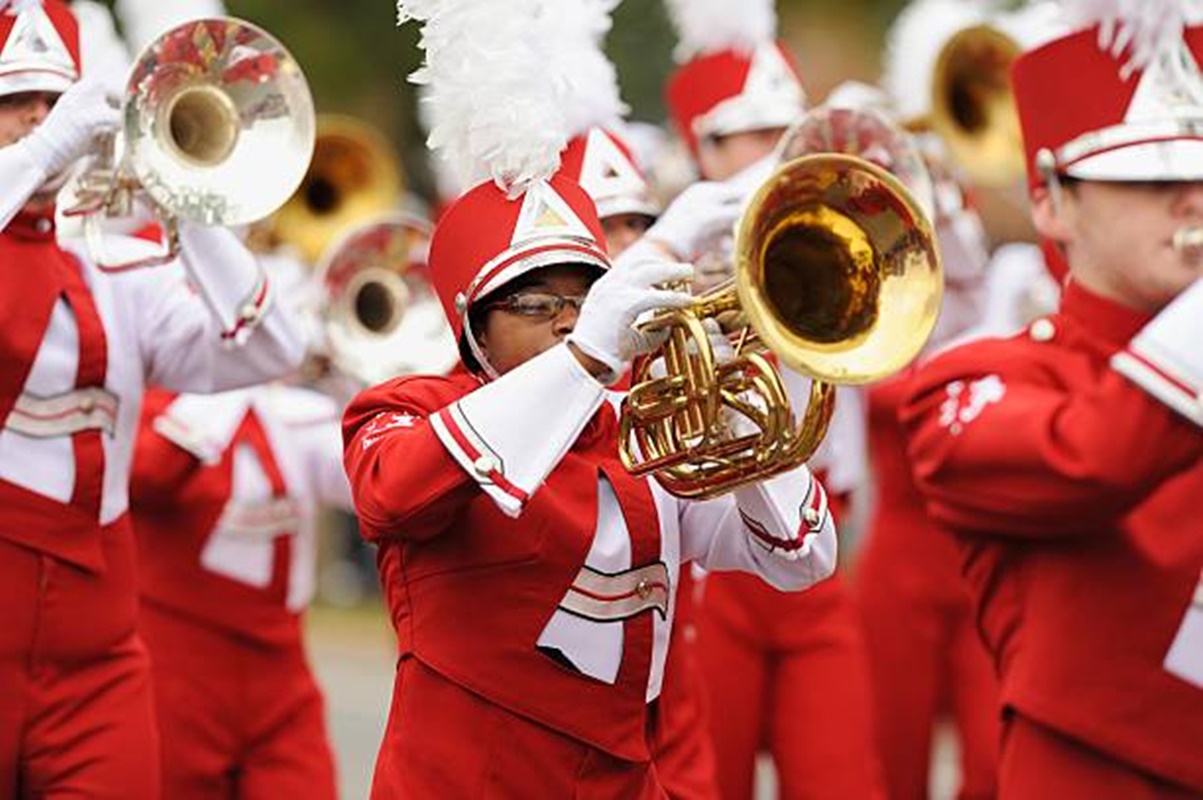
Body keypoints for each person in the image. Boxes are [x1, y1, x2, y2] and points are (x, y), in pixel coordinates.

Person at [0, 1, 305, 796]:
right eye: (14, 103)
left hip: (96, 662)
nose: (41, 117)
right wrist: (46, 146)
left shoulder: (112, 265)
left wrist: (182, 200)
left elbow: (273, 346)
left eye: (53, 100)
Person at [901, 7, 1203, 798]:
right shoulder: (968, 383)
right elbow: (1097, 456)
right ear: (1051, 203)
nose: (1191, 200)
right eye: (1151, 176)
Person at [661, 3, 883, 798]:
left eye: (781, 131)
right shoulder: (664, 250)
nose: (769, 154)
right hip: (714, 562)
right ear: (698, 148)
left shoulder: (833, 230)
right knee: (705, 781)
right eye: (744, 136)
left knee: (842, 779)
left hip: (822, 552)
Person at [129, 379, 350, 799]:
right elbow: (146, 476)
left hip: (282, 676)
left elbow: (371, 485)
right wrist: (230, 383)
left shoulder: (297, 413)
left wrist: (375, 393)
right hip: (172, 671)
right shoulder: (156, 401)